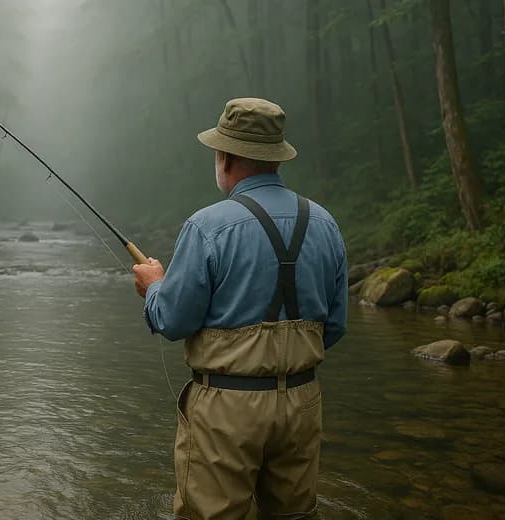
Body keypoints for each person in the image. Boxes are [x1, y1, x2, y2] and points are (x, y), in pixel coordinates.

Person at [132, 98, 348, 520]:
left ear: (225, 157)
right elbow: (334, 326)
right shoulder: (325, 222)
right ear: (275, 159)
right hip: (303, 402)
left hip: (227, 410)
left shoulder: (207, 225)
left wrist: (153, 286)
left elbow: (173, 320)